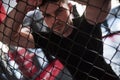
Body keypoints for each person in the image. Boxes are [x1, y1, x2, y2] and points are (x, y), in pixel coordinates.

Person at [0, 0, 119, 80]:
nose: (54, 20)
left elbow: (99, 2)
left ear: (70, 8)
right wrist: (25, 4)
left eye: (59, 11)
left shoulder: (87, 24)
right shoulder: (49, 40)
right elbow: (6, 36)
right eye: (47, 15)